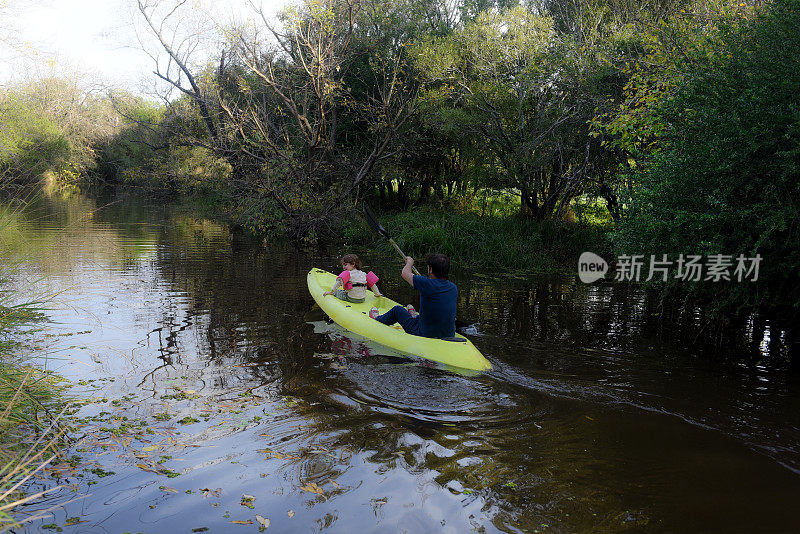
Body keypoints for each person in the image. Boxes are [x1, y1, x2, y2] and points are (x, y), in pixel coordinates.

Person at [370, 253, 456, 339]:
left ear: (431, 269)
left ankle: (377, 318)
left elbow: (405, 273)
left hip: (422, 333)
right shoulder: (453, 288)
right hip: (449, 335)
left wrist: (409, 263)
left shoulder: (426, 283)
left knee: (397, 310)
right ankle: (416, 317)